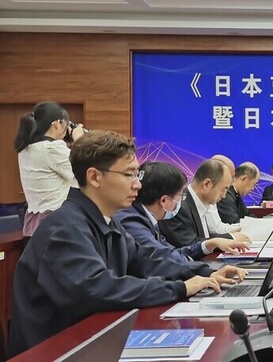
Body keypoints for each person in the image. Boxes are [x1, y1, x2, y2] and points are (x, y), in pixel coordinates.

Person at [8, 131, 246, 356]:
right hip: (55, 352)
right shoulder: (65, 229)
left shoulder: (105, 221)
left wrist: (206, 272)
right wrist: (180, 288)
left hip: (92, 340)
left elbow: (147, 259)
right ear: (94, 177)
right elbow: (98, 289)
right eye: (129, 175)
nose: (137, 184)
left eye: (136, 175)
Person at [115, 161, 248, 268]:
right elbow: (166, 258)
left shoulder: (148, 219)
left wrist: (210, 244)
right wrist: (207, 274)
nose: (136, 184)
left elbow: (173, 253)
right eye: (130, 175)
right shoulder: (131, 220)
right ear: (164, 200)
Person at [14, 101, 86, 237]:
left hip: (33, 224)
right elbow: (83, 174)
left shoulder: (25, 149)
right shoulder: (53, 148)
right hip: (57, 223)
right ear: (57, 124)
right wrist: (80, 141)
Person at [159, 159, 249, 248]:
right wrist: (230, 237)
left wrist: (227, 236)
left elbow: (202, 237)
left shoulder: (199, 202)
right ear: (207, 184)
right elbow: (189, 245)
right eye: (224, 189)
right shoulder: (178, 205)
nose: (224, 196)